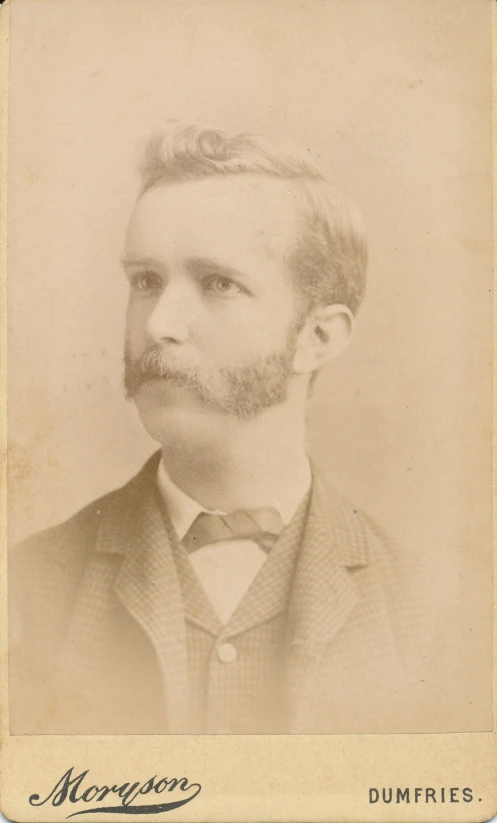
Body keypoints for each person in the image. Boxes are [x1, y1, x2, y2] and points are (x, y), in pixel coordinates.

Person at [10, 124, 427, 735]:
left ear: (318, 336)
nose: (159, 323)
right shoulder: (25, 585)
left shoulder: (440, 607)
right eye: (145, 281)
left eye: (218, 284)